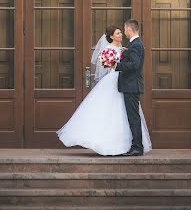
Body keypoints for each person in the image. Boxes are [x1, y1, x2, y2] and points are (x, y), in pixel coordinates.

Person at [57, 24, 152, 156]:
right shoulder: (110, 49)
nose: (122, 34)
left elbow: (132, 64)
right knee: (116, 112)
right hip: (115, 81)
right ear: (111, 36)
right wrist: (112, 64)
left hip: (125, 82)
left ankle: (133, 145)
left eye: (122, 31)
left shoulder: (128, 47)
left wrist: (118, 64)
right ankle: (120, 144)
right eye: (118, 33)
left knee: (129, 114)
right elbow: (109, 65)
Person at [115, 18, 145, 156]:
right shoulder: (133, 44)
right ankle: (136, 145)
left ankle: (137, 147)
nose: (124, 32)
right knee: (132, 117)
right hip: (129, 86)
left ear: (129, 29)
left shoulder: (137, 45)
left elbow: (134, 65)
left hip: (132, 86)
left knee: (133, 117)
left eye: (125, 29)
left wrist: (117, 66)